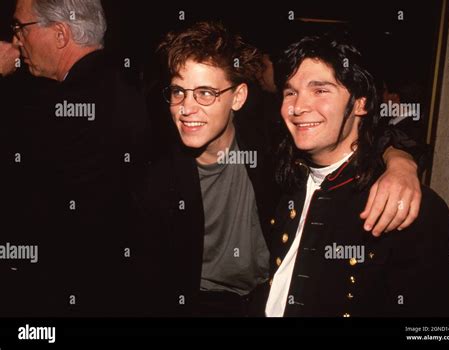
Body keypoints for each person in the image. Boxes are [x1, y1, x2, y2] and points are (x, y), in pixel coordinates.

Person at [131, 21, 424, 317]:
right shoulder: (154, 176)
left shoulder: (272, 144)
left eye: (205, 93)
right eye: (179, 92)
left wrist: (399, 161)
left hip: (264, 299)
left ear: (238, 97)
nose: (186, 107)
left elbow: (356, 129)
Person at [265, 33, 449, 317]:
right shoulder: (282, 180)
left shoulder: (407, 206)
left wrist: (400, 162)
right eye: (290, 92)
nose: (298, 107)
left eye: (320, 90)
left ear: (361, 103)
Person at [1, 0, 149, 316]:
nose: (15, 40)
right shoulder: (134, 86)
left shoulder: (55, 108)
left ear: (60, 34)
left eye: (20, 28)